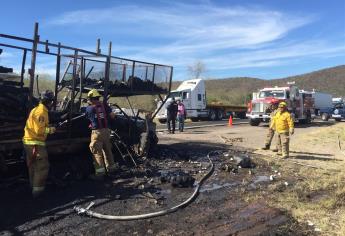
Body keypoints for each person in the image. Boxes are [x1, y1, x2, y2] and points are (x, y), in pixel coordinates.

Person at [23, 90, 56, 198]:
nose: (52, 104)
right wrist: (50, 130)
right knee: (42, 166)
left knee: (33, 166)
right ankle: (38, 192)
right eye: (51, 101)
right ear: (49, 102)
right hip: (35, 143)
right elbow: (39, 130)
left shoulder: (36, 109)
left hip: (29, 142)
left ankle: (33, 187)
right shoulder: (41, 112)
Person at [85, 89, 117, 178]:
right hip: (106, 131)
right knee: (107, 150)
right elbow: (112, 116)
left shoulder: (89, 108)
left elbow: (87, 117)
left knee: (97, 153)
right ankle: (112, 169)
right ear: (98, 98)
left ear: (91, 99)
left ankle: (100, 173)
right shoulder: (105, 106)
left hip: (97, 133)